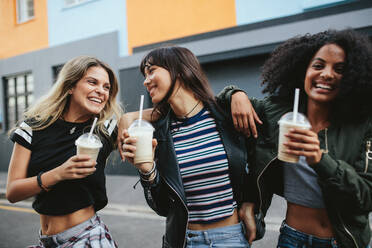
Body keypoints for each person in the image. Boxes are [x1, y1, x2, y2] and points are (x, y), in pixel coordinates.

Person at [219, 29, 372, 248]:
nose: (327, 74)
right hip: (293, 239)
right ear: (303, 71)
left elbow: (366, 196)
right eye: (318, 66)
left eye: (340, 69)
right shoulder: (277, 113)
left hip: (343, 242)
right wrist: (235, 94)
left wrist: (320, 160)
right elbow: (213, 105)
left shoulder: (363, 125)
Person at [120, 46, 261, 248]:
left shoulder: (225, 115)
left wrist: (251, 202)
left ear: (178, 70)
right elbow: (163, 207)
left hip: (231, 238)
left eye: (151, 71)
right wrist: (147, 171)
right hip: (185, 241)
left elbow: (257, 163)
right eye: (144, 74)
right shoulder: (159, 133)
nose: (145, 80)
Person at [6, 56, 122, 248]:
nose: (101, 91)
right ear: (70, 86)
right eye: (92, 82)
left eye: (106, 87)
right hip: (46, 241)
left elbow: (152, 117)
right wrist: (58, 174)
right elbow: (12, 192)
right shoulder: (33, 127)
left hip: (88, 237)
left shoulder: (104, 129)